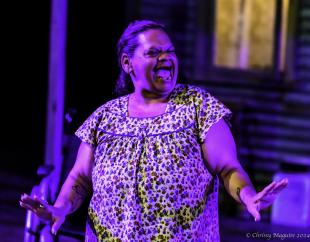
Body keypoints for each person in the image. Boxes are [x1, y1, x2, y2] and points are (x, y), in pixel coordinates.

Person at [20, 19, 288, 241]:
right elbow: (79, 179)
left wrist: (249, 197)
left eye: (170, 52)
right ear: (127, 63)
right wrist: (60, 208)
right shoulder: (105, 117)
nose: (166, 59)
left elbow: (228, 168)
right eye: (153, 53)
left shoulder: (198, 107)